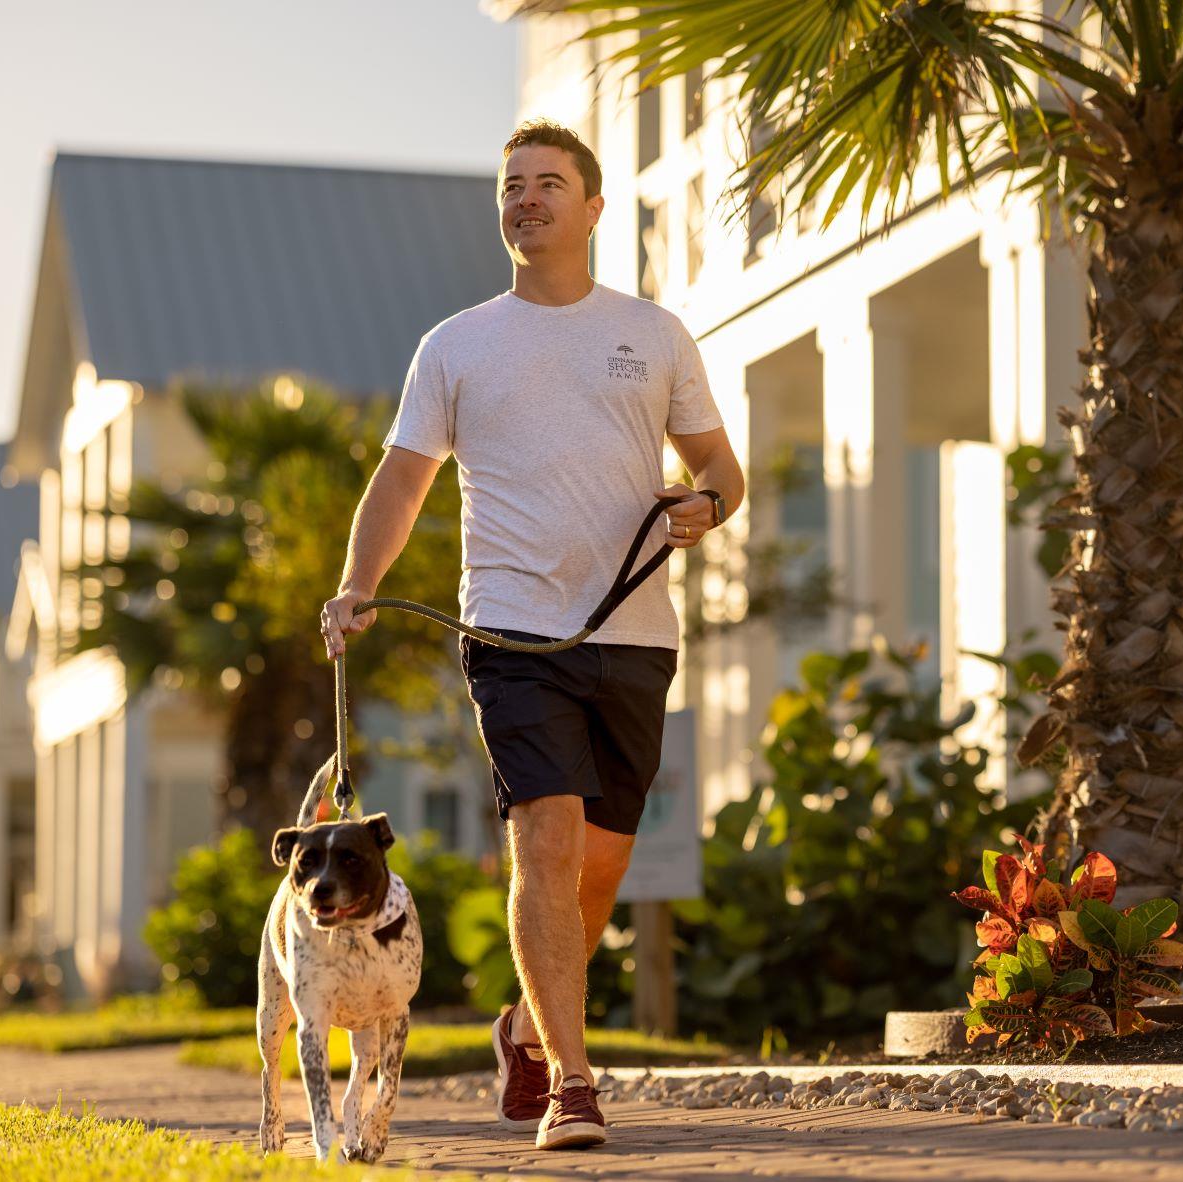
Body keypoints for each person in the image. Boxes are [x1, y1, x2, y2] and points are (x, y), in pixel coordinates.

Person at [319, 118, 744, 1151]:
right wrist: (355, 586)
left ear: (594, 209)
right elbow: (404, 481)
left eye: (550, 183)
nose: (527, 198)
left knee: (598, 870)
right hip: (509, 633)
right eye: (512, 185)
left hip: (635, 635)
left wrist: (705, 507)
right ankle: (574, 1083)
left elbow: (723, 473)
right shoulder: (457, 344)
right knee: (544, 844)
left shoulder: (654, 333)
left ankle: (523, 1025)